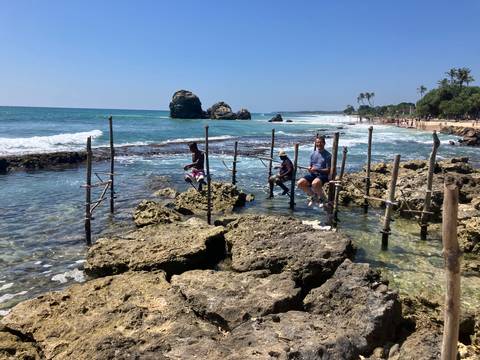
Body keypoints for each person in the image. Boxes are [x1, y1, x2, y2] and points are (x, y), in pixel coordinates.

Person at [297, 136, 331, 207]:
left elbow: (328, 170)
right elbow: (311, 166)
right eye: (317, 142)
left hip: (323, 175)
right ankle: (314, 196)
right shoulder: (312, 154)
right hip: (313, 174)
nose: (319, 144)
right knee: (300, 183)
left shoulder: (328, 155)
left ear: (324, 143)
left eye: (320, 142)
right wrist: (310, 168)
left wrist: (316, 169)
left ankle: (323, 199)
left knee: (315, 183)